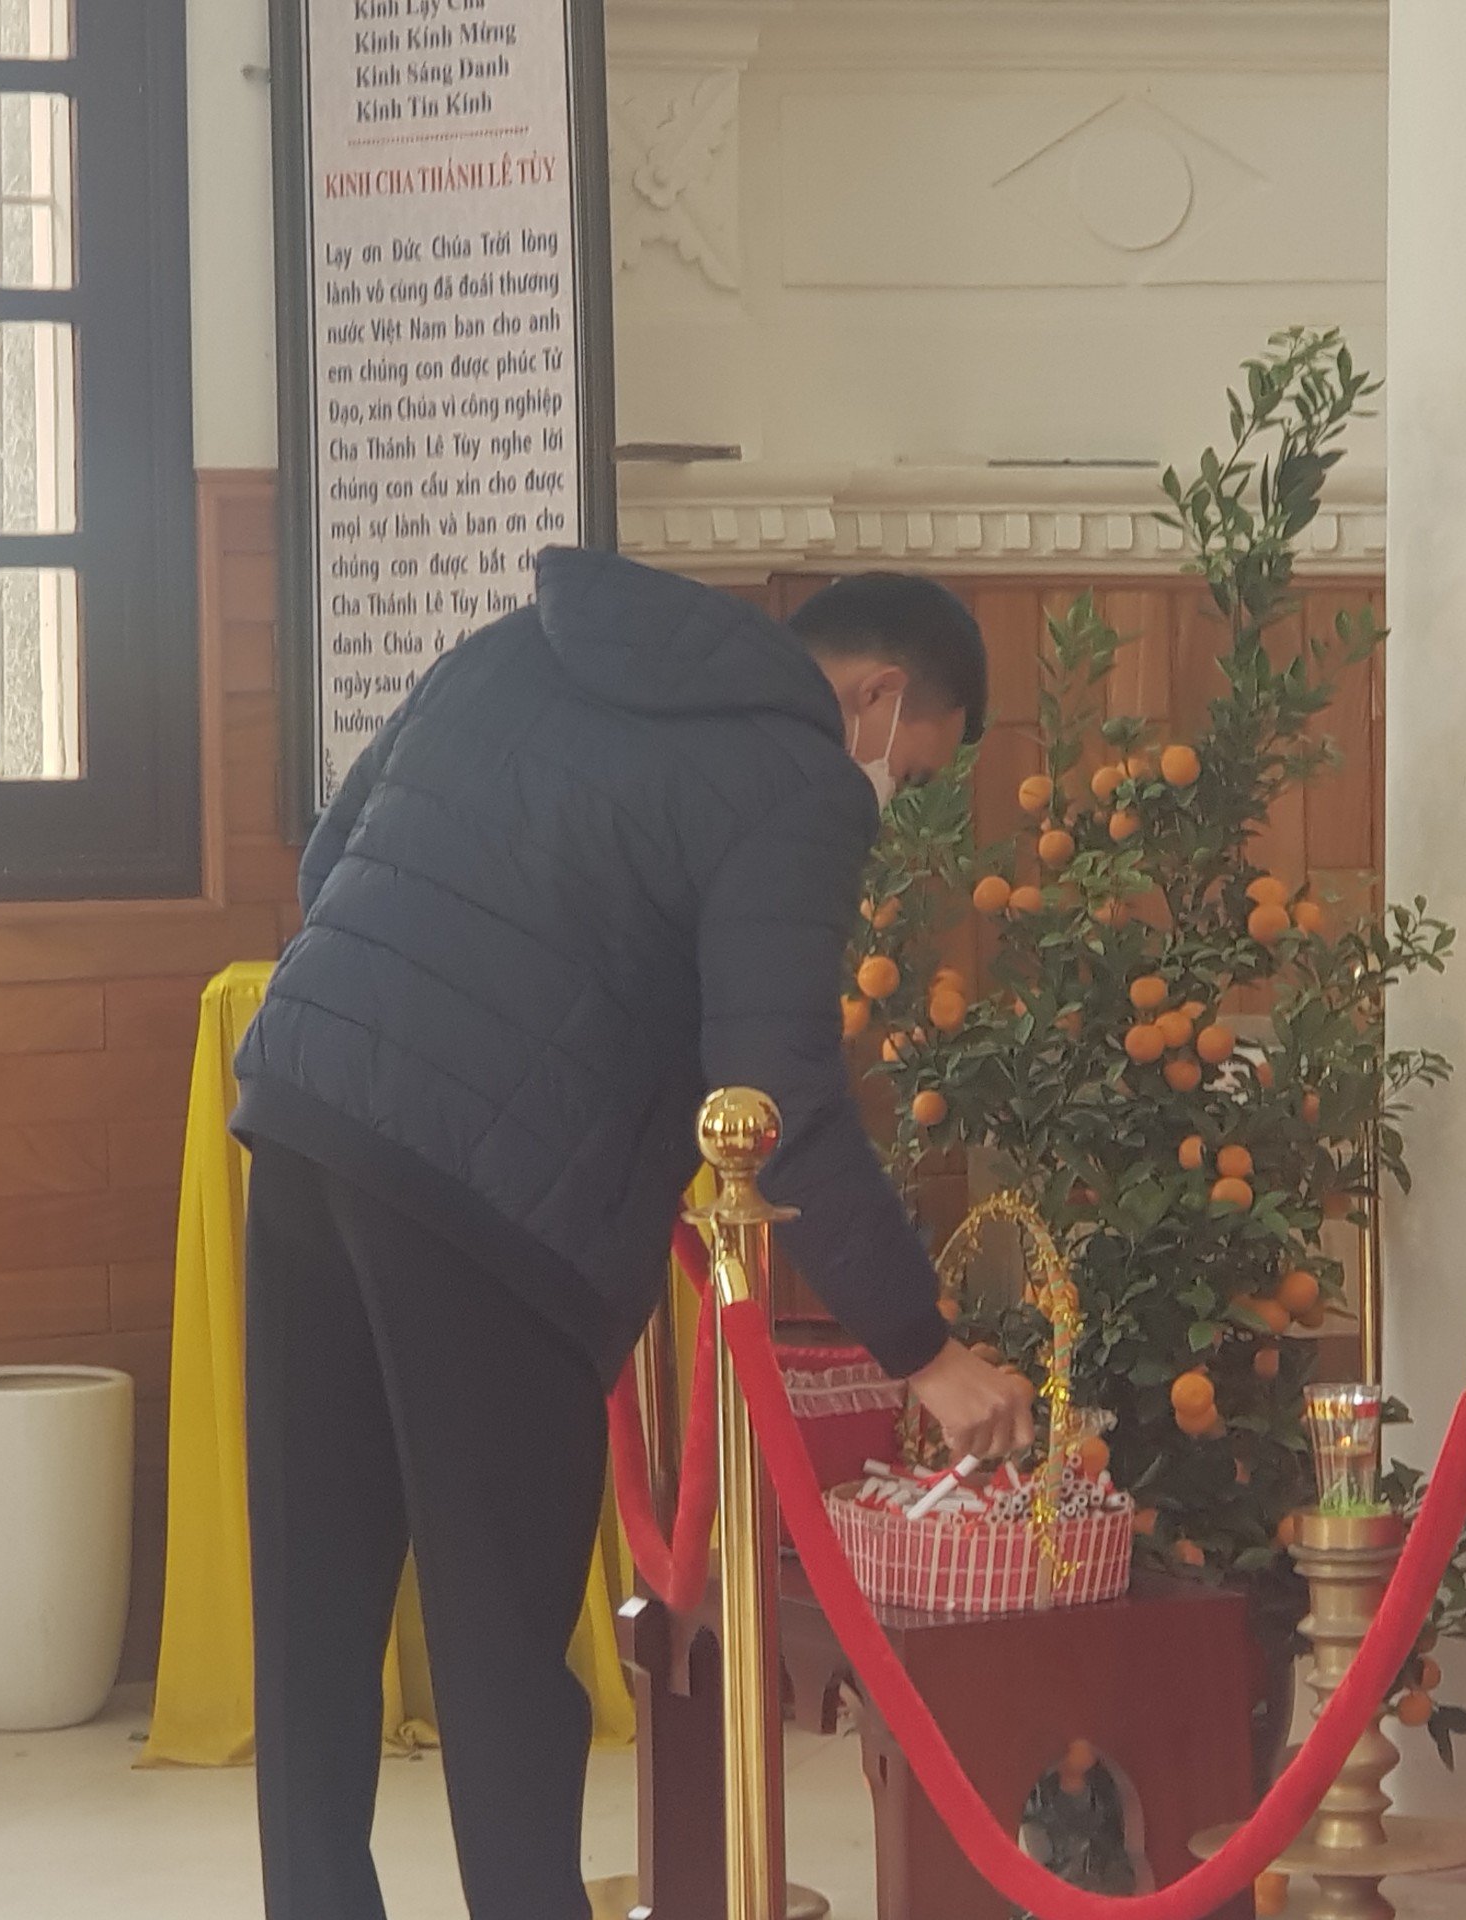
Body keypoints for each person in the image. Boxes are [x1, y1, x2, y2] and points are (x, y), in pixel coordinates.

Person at [230, 547, 1037, 1920]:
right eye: (914, 768)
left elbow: (330, 856)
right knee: (499, 1649)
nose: (893, 794)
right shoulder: (793, 775)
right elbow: (780, 1097)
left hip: (309, 1123)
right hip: (493, 1211)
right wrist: (925, 1350)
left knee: (314, 1608)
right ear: (880, 695)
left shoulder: (513, 647)